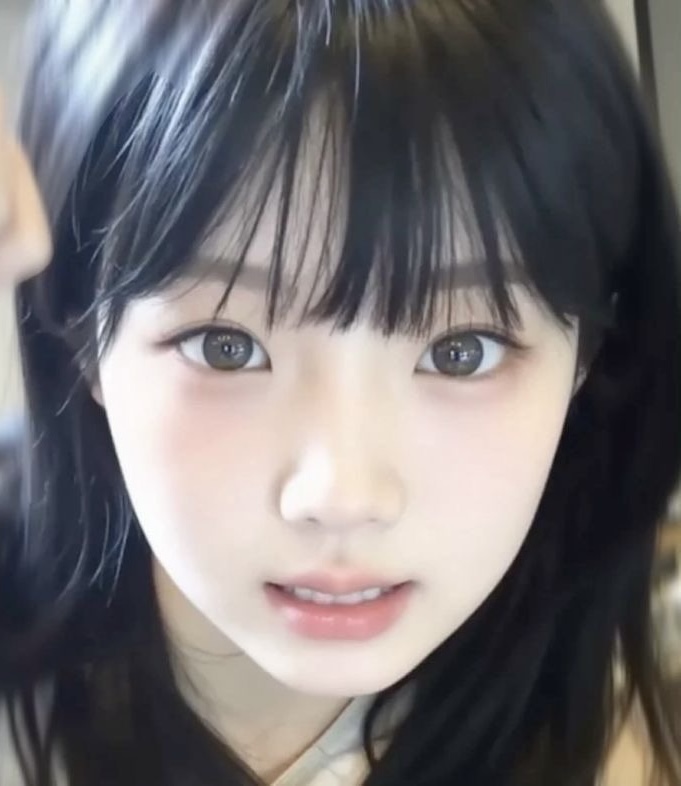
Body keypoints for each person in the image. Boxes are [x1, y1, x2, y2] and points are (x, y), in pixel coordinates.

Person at [1, 0, 680, 783]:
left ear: (586, 356)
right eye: (226, 347)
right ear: (81, 336)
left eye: (461, 352)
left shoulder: (616, 732)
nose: (341, 498)